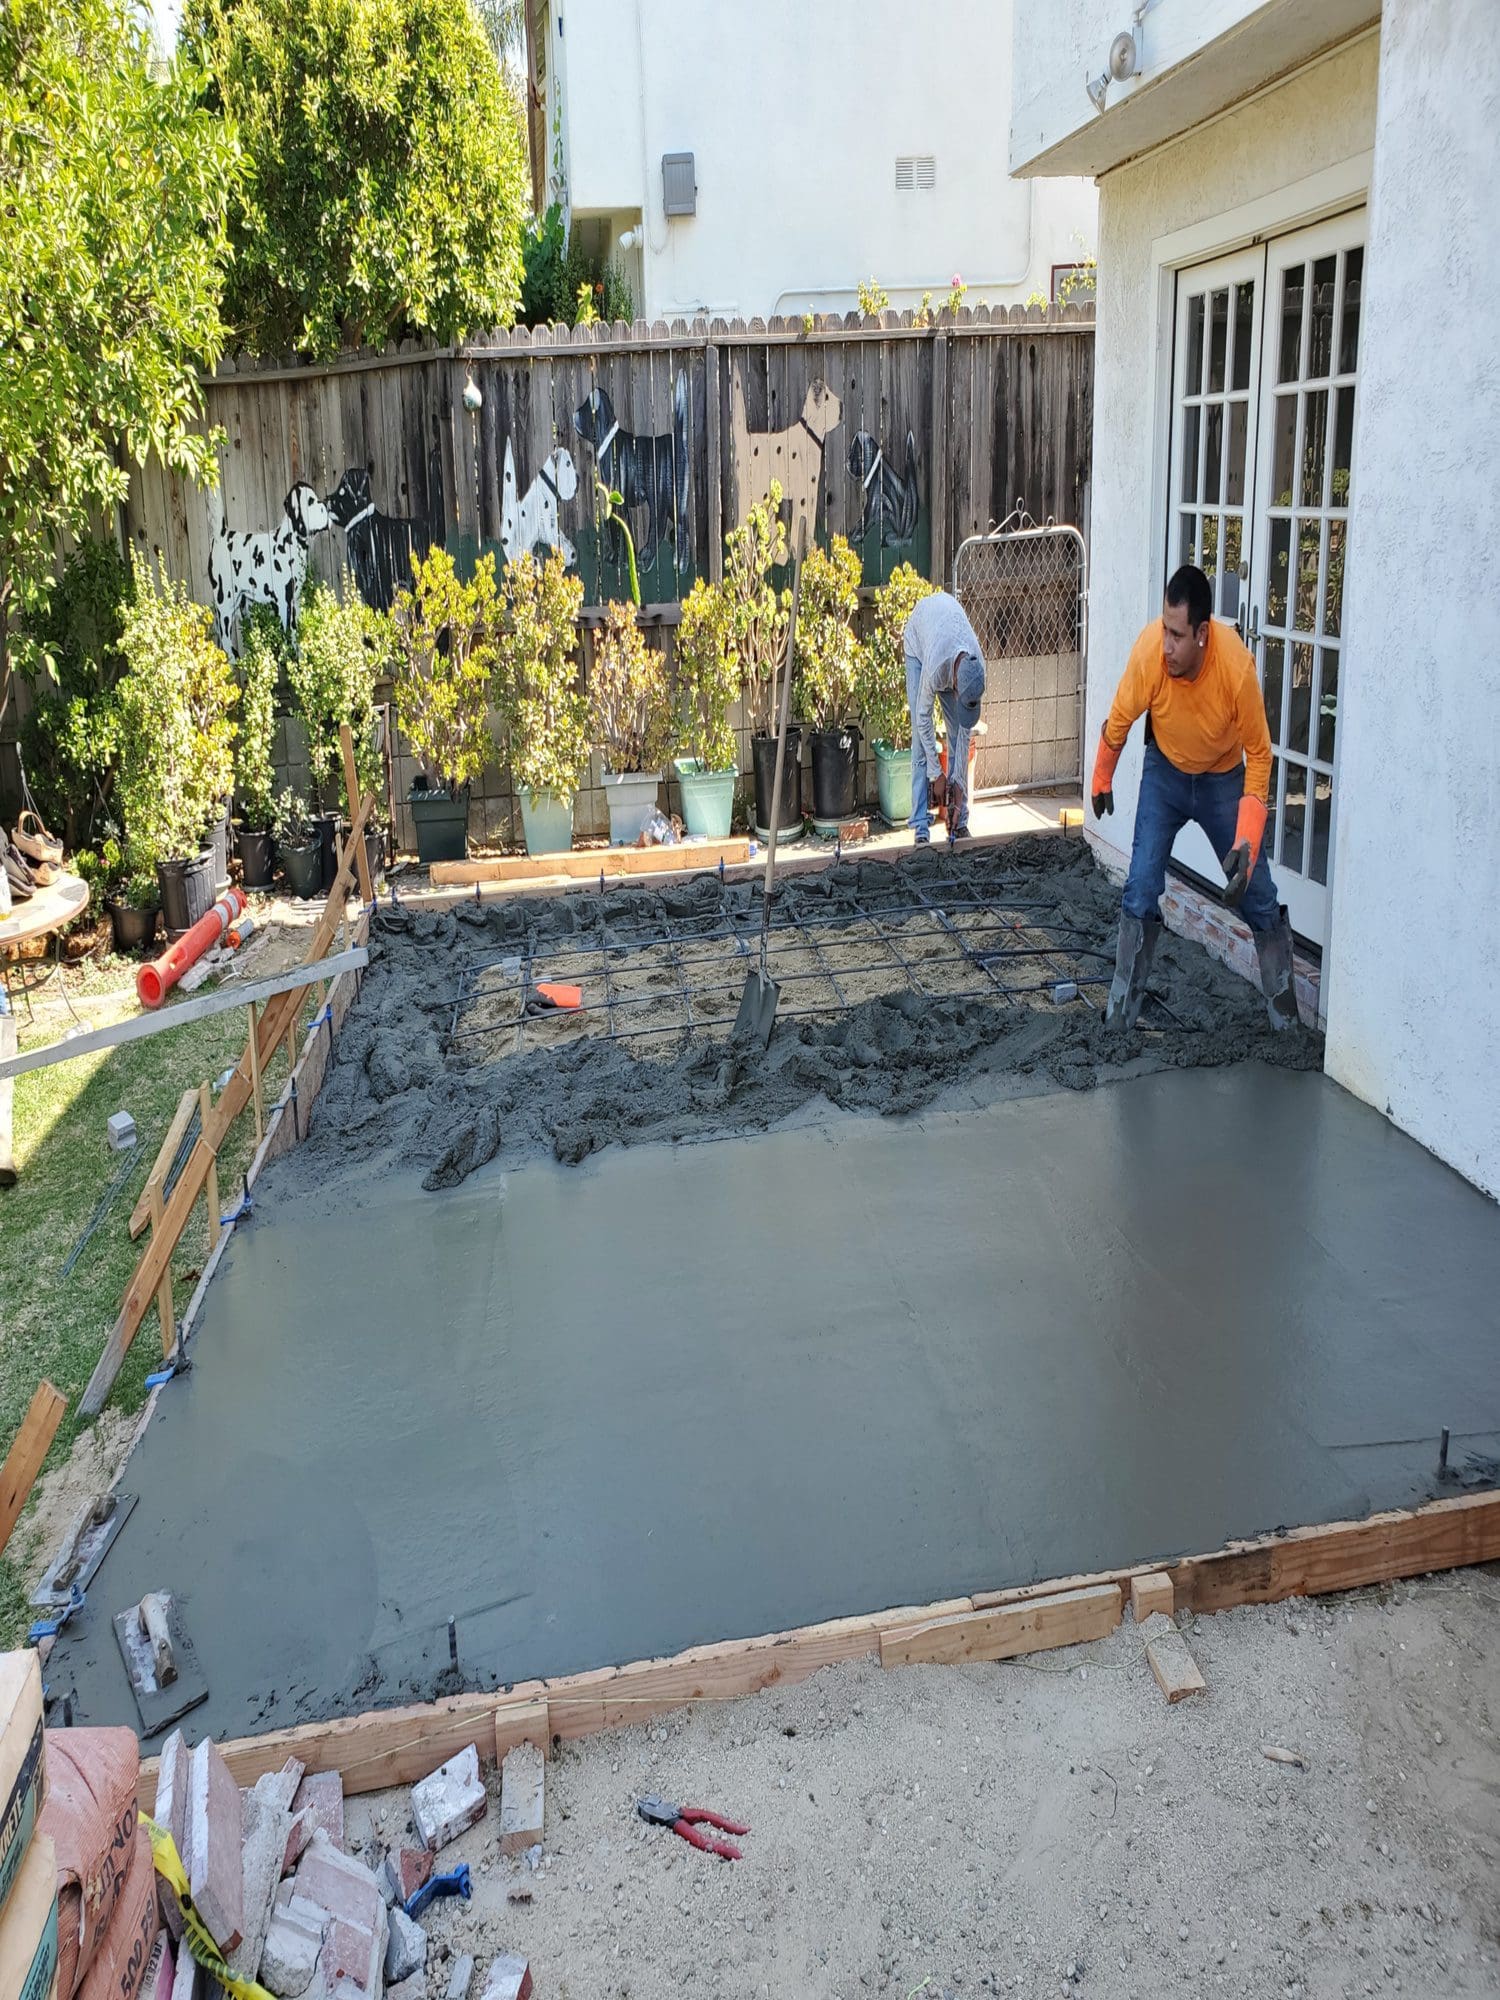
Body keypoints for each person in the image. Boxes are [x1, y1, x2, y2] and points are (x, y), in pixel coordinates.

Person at [1091, 563, 1301, 1031]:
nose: (1167, 645)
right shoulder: (1150, 653)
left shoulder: (1236, 670)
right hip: (1164, 774)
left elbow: (1260, 758)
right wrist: (1102, 777)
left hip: (1222, 782)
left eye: (1178, 635)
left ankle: (1286, 1020)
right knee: (1141, 885)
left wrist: (1245, 842)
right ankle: (1120, 1015)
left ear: (1203, 633)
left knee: (1259, 897)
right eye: (1165, 629)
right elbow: (1120, 718)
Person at [902, 591, 986, 843]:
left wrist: (957, 784)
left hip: (948, 630)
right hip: (920, 642)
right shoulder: (936, 667)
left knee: (959, 729)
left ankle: (959, 821)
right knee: (920, 740)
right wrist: (936, 775)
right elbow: (922, 717)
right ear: (955, 685)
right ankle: (920, 826)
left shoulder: (977, 668)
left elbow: (963, 731)